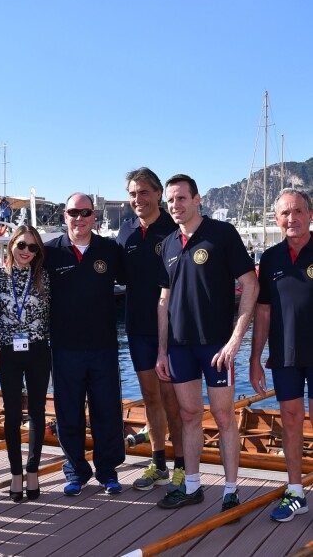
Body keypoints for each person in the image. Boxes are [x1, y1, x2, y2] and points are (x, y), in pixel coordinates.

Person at [155, 174, 258, 514]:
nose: (175, 205)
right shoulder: (169, 243)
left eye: (181, 198)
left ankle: (230, 491)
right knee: (188, 415)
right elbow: (164, 300)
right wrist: (162, 350)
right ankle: (193, 486)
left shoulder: (221, 234)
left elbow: (250, 286)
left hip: (216, 346)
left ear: (197, 199)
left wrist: (235, 341)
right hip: (180, 347)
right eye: (170, 200)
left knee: (224, 416)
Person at [44, 193, 124, 495]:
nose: (79, 218)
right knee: (68, 412)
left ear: (95, 216)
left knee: (107, 410)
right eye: (73, 212)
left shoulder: (109, 250)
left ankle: (107, 471)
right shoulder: (49, 252)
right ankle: (75, 471)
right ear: (65, 216)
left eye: (85, 212)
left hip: (103, 346)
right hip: (64, 348)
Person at [116, 168, 184, 491]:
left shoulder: (174, 228)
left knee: (172, 400)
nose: (138, 199)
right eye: (132, 194)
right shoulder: (125, 232)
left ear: (158, 194)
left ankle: (182, 466)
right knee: (150, 398)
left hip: (172, 330)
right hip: (138, 327)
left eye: (144, 192)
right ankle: (158, 463)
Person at [249, 188, 313, 522]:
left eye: (297, 211)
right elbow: (263, 313)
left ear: (310, 215)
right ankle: (296, 491)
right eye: (285, 213)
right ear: (277, 219)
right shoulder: (271, 258)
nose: (292, 218)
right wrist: (254, 358)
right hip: (285, 355)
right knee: (290, 421)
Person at [0, 225, 51, 502]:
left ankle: (33, 470)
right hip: (9, 353)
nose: (26, 251)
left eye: (33, 247)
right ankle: (16, 473)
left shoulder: (44, 279)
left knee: (37, 412)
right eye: (22, 245)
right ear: (11, 245)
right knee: (12, 413)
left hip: (38, 351)